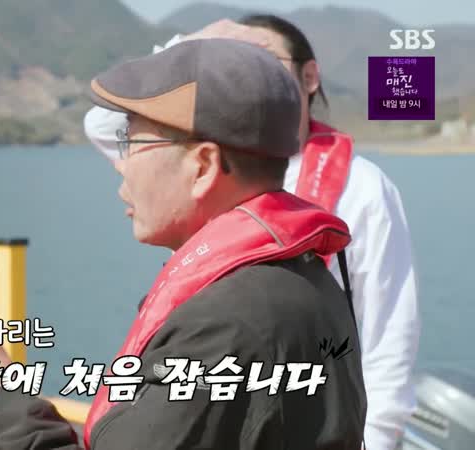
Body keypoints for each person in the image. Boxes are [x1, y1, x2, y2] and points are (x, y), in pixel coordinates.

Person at [0, 38, 366, 449]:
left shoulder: (227, 326)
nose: (121, 165)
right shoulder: (301, 277)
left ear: (203, 166)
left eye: (130, 142)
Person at [83, 16, 420, 450]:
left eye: (263, 58)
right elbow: (113, 125)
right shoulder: (238, 173)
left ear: (309, 77)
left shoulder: (361, 187)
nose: (244, 64)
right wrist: (192, 47)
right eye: (233, 57)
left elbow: (389, 333)